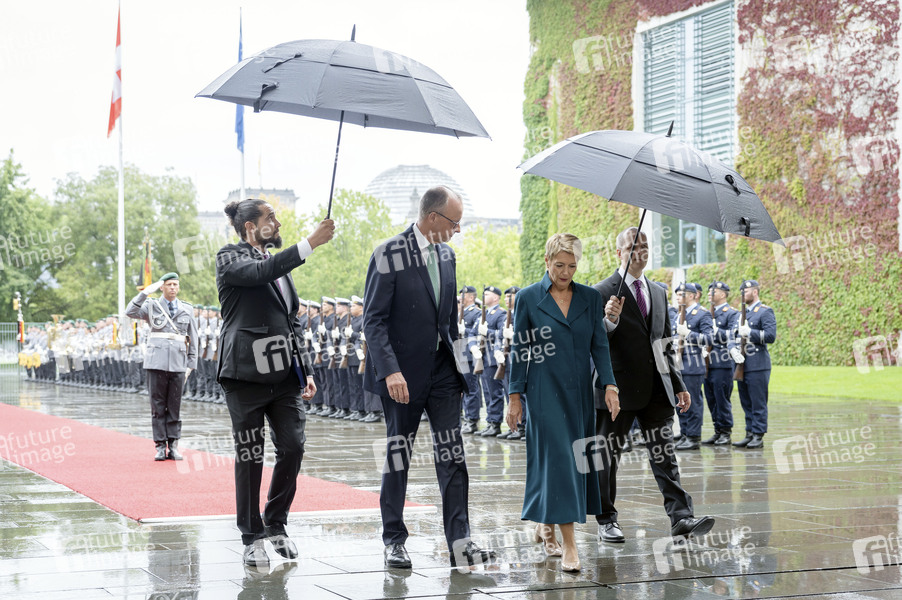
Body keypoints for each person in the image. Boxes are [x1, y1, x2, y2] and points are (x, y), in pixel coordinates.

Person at [363, 185, 494, 569]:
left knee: (453, 456)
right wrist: (390, 371)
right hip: (401, 376)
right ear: (433, 217)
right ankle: (394, 540)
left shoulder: (447, 255)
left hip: (443, 373)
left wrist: (462, 369)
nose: (458, 229)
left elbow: (449, 323)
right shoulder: (389, 253)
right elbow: (373, 321)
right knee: (398, 454)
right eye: (455, 222)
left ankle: (460, 542)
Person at [216, 198, 334, 567]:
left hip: (284, 375)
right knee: (251, 455)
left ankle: (276, 522)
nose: (278, 223)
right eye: (271, 218)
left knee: (293, 447)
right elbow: (259, 273)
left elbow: (291, 320)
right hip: (244, 374)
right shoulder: (229, 257)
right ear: (250, 227)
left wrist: (306, 370)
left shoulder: (279, 267)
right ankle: (251, 536)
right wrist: (310, 243)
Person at [594, 227, 715, 546]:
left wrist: (678, 383)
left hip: (656, 389)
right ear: (619, 253)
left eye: (645, 246)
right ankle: (606, 519)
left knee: (664, 454)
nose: (640, 251)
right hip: (616, 389)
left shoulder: (659, 292)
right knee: (607, 457)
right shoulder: (601, 292)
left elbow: (663, 342)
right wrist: (609, 322)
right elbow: (592, 344)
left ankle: (681, 517)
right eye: (632, 246)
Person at [504, 233, 617, 573]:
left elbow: (600, 345)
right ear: (547, 261)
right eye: (559, 265)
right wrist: (514, 397)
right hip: (543, 393)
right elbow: (520, 350)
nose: (565, 273)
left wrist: (610, 384)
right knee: (560, 461)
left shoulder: (590, 298)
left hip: (579, 395)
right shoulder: (528, 298)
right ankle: (570, 544)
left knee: (566, 462)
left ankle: (547, 524)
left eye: (572, 266)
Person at [126, 272, 198, 462]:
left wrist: (191, 364)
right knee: (157, 406)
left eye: (175, 284)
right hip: (156, 362)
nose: (172, 287)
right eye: (169, 284)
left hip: (179, 362)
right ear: (162, 287)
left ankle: (173, 445)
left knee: (175, 406)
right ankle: (159, 445)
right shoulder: (152, 306)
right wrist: (144, 294)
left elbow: (193, 337)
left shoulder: (187, 309)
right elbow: (130, 312)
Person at [731, 280, 777, 449]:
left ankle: (758, 434)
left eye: (746, 291)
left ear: (755, 292)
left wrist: (751, 332)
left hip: (757, 364)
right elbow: (732, 336)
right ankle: (749, 433)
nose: (743, 294)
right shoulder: (739, 314)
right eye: (741, 291)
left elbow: (771, 336)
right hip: (741, 363)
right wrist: (732, 349)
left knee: (758, 401)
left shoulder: (764, 311)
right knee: (746, 401)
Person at [674, 282, 712, 451]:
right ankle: (684, 433)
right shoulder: (678, 314)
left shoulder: (702, 314)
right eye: (676, 294)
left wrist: (689, 334)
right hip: (677, 363)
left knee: (693, 401)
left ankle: (694, 436)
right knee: (679, 400)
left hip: (693, 364)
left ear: (691, 295)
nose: (677, 297)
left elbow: (709, 339)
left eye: (680, 294)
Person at [703, 281, 740, 445]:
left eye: (714, 291)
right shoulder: (706, 313)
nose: (709, 294)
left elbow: (734, 335)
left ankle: (725, 431)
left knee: (722, 399)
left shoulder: (732, 313)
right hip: (707, 362)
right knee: (711, 398)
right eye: (709, 291)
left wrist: (717, 331)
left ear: (723, 294)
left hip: (722, 362)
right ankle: (717, 430)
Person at [475, 285, 507, 437]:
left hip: (493, 358)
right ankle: (490, 422)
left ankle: (495, 423)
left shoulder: (500, 314)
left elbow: (502, 334)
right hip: (483, 357)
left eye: (487, 294)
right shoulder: (484, 314)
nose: (484, 296)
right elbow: (474, 332)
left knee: (495, 392)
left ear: (495, 297)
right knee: (487, 392)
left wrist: (487, 332)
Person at [458, 286, 483, 434]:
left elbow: (477, 333)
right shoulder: (460, 313)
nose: (461, 298)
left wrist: (464, 330)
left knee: (471, 388)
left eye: (464, 295)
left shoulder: (476, 312)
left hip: (469, 354)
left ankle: (472, 420)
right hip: (460, 353)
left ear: (471, 297)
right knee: (463, 388)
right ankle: (467, 418)